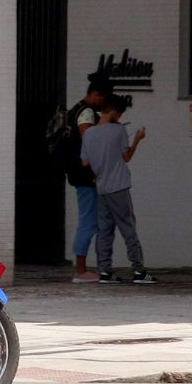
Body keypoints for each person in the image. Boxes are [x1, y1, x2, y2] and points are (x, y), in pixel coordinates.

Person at [79, 93, 157, 284]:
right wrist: (138, 138)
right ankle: (139, 271)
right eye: (120, 113)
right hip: (119, 186)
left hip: (102, 187)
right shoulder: (118, 130)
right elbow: (126, 157)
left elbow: (85, 162)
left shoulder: (89, 133)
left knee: (105, 231)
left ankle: (105, 271)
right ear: (113, 111)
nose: (120, 117)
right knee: (128, 227)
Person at [66, 77, 113, 283]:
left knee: (88, 220)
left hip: (81, 174)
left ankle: (82, 267)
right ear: (95, 94)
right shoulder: (85, 112)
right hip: (85, 176)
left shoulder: (75, 109)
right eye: (102, 98)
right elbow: (90, 142)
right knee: (88, 221)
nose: (102, 103)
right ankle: (81, 269)